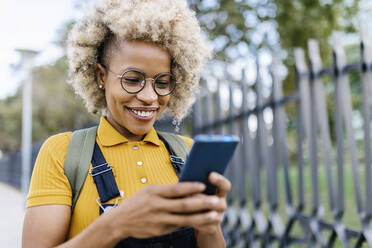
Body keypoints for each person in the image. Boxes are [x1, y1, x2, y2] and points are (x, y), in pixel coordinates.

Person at [22, 0, 231, 247]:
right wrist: (117, 224)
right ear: (101, 76)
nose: (149, 97)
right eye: (132, 80)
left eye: (162, 82)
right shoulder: (62, 153)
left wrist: (210, 226)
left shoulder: (187, 152)